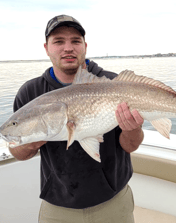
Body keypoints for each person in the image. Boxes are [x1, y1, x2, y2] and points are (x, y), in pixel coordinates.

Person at [9, 15, 144, 223]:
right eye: (59, 41)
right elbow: (17, 151)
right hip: (57, 207)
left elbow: (130, 146)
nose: (68, 48)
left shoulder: (112, 83)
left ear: (85, 46)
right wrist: (35, 136)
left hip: (113, 201)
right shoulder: (30, 93)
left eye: (75, 41)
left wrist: (132, 129)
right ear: (46, 48)